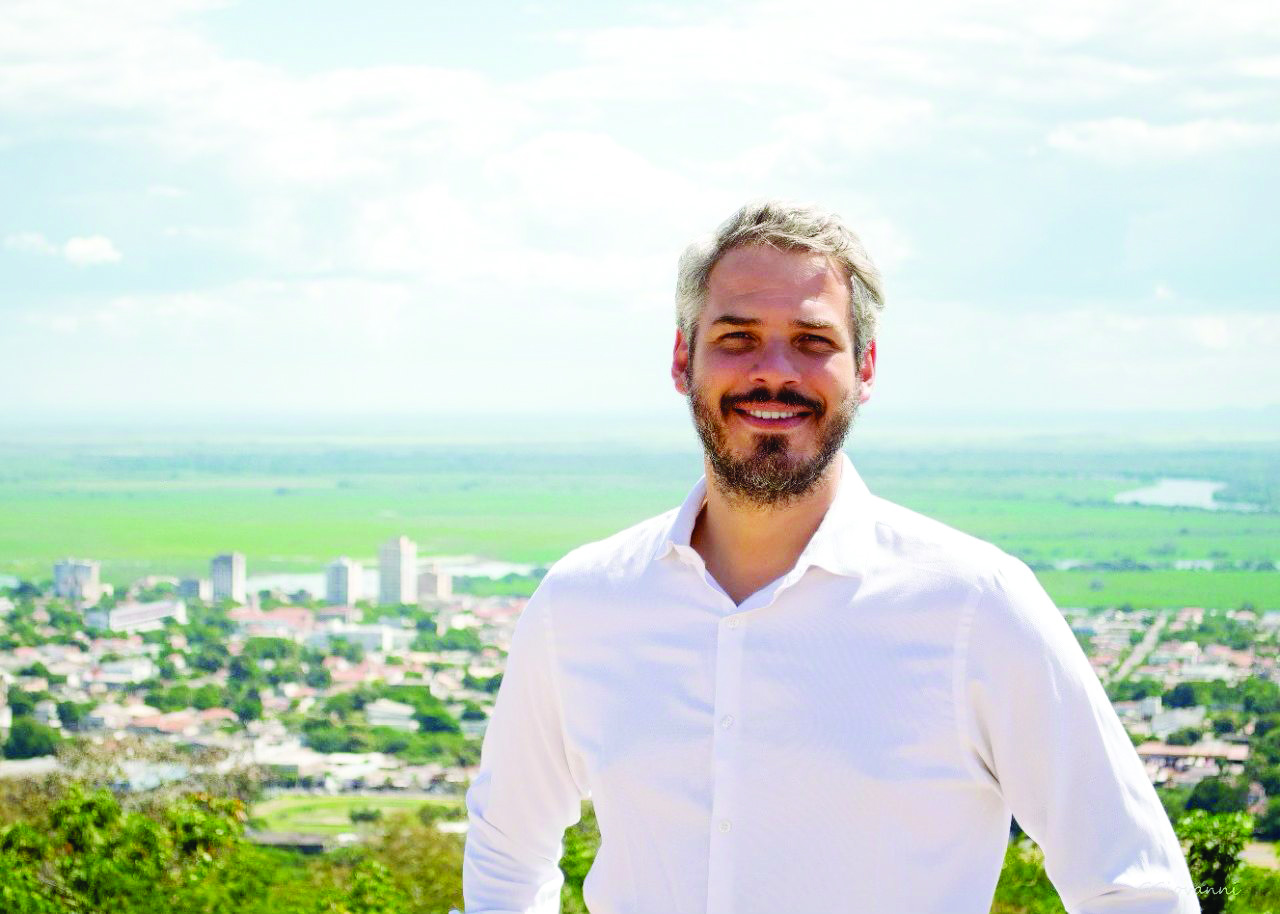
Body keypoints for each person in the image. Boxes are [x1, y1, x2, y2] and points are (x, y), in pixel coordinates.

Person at [457, 200, 1198, 913]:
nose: (772, 371)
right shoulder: (584, 601)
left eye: (812, 342)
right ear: (683, 359)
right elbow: (506, 853)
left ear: (865, 367)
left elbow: (1133, 890)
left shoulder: (975, 605)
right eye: (737, 337)